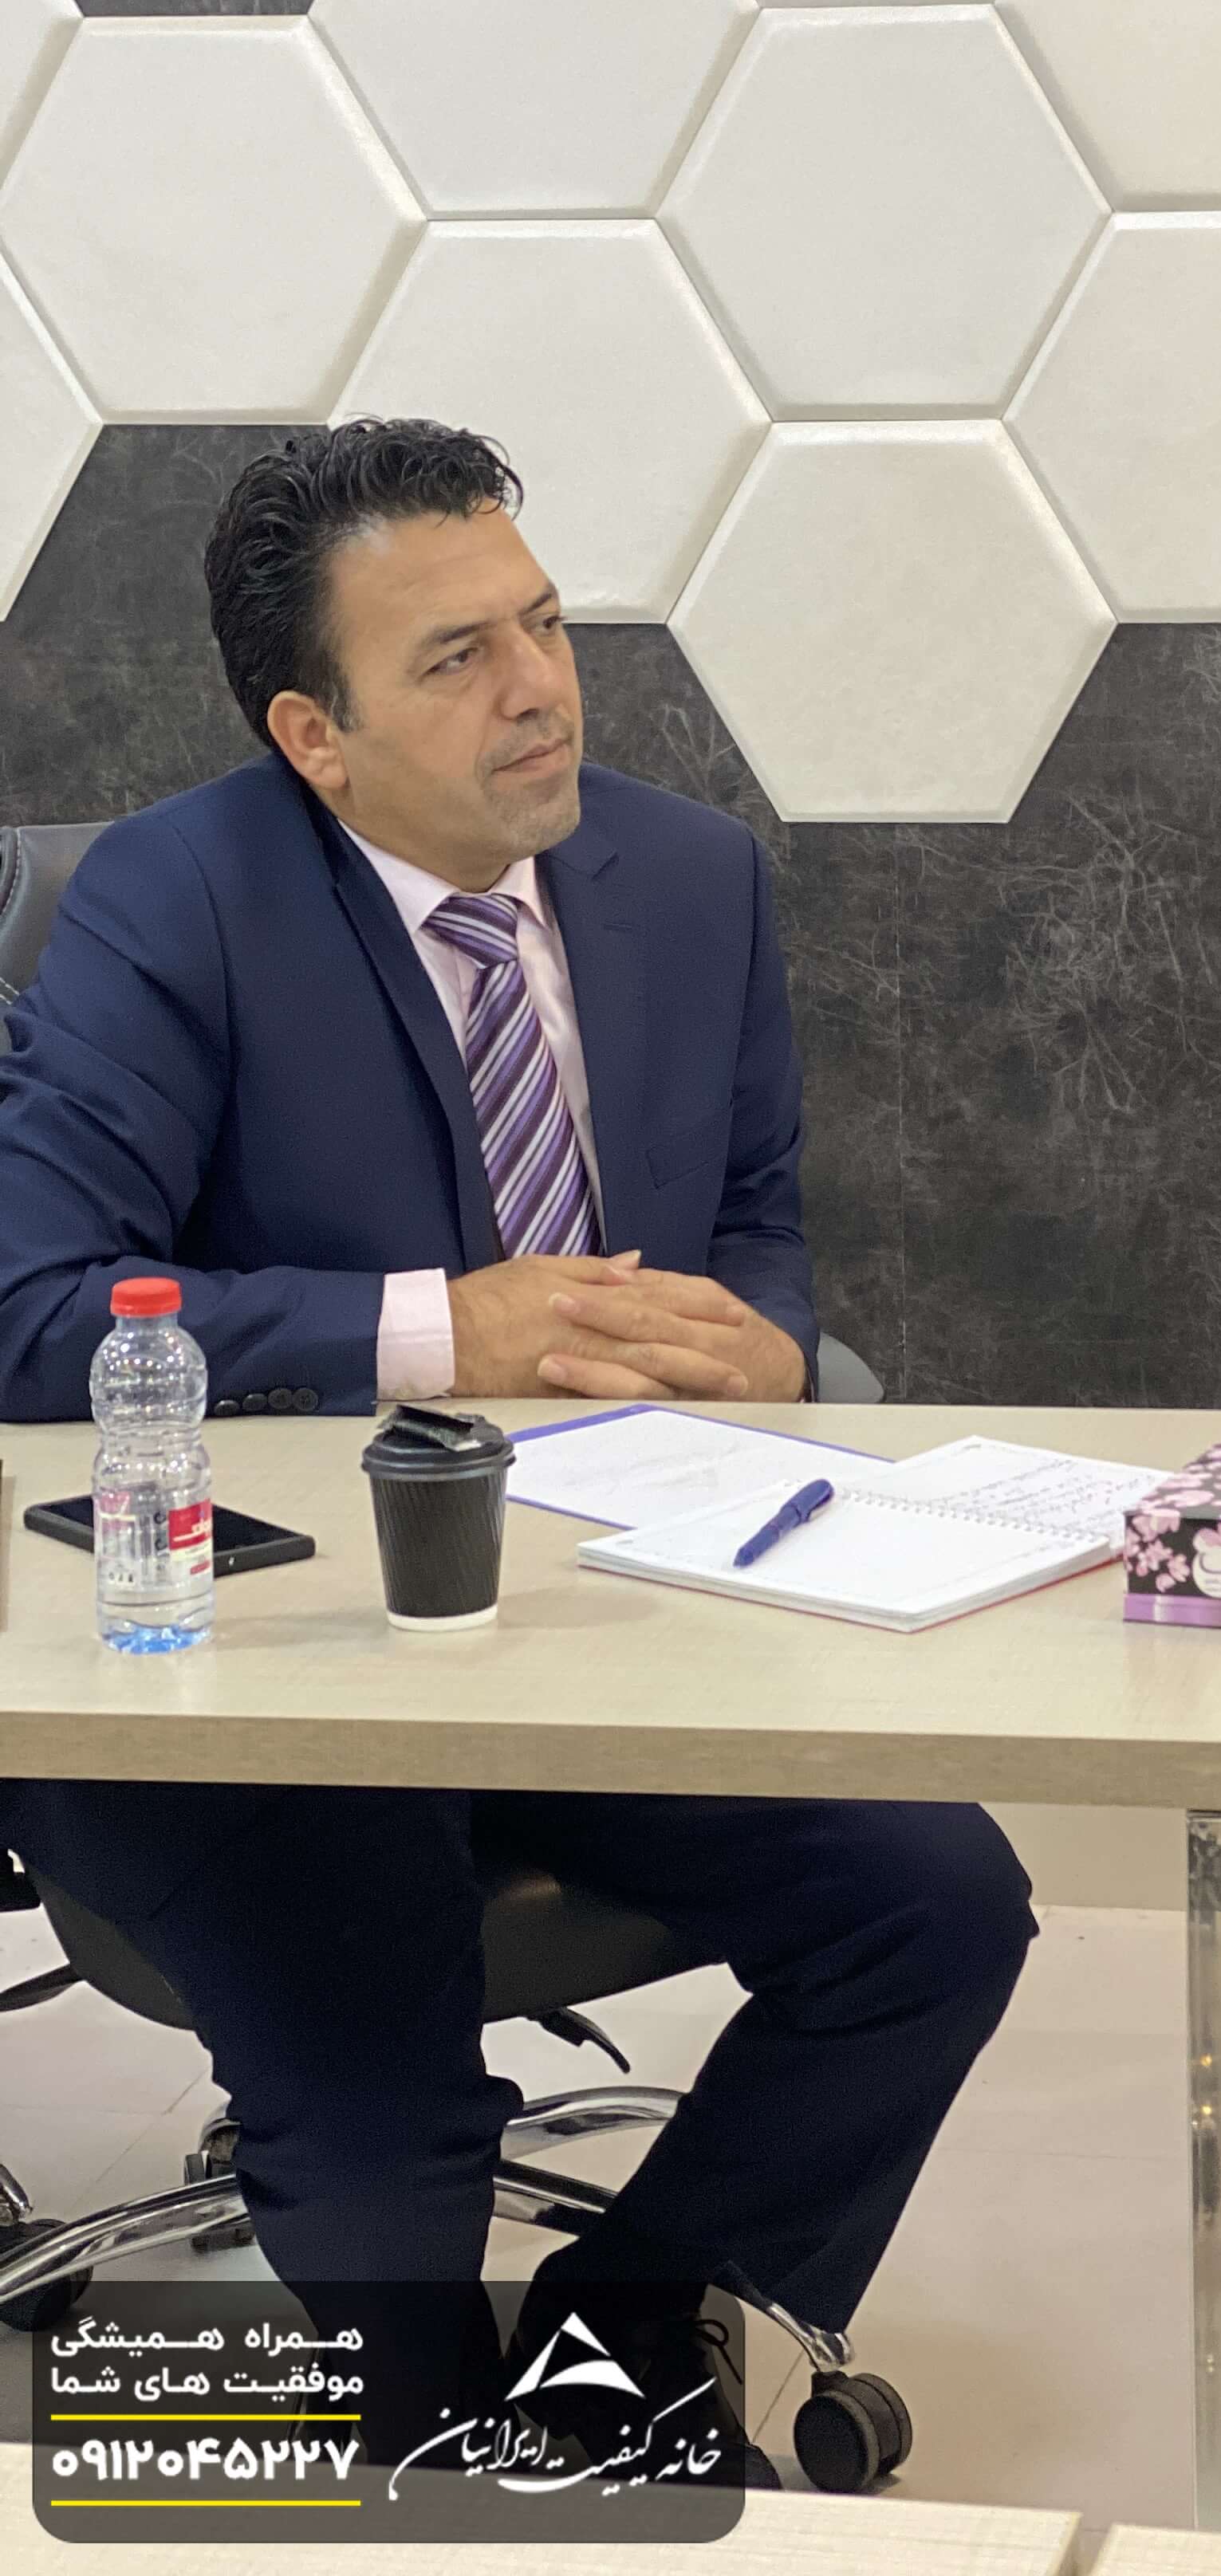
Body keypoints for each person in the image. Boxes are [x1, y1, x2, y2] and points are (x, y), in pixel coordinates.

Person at [0, 420, 1034, 2477]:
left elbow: (753, 1223)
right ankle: (389, 2453)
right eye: (456, 657)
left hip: (585, 1626)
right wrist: (435, 1327)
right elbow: (35, 1313)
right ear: (313, 734)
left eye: (545, 626)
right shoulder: (171, 901)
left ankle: (618, 2346)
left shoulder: (693, 877)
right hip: (240, 1673)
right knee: (386, 2116)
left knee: (938, 1904)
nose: (539, 687)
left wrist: (766, 1349)